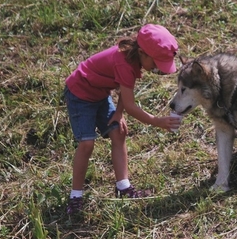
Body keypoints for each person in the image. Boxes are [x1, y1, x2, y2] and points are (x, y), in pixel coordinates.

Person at [63, 24, 182, 214]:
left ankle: (123, 187)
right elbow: (131, 105)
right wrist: (156, 121)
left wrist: (119, 113)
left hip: (100, 95)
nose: (157, 69)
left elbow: (123, 90)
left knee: (118, 132)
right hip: (80, 95)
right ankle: (75, 197)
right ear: (143, 53)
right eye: (156, 63)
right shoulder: (123, 62)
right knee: (87, 144)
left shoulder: (133, 59)